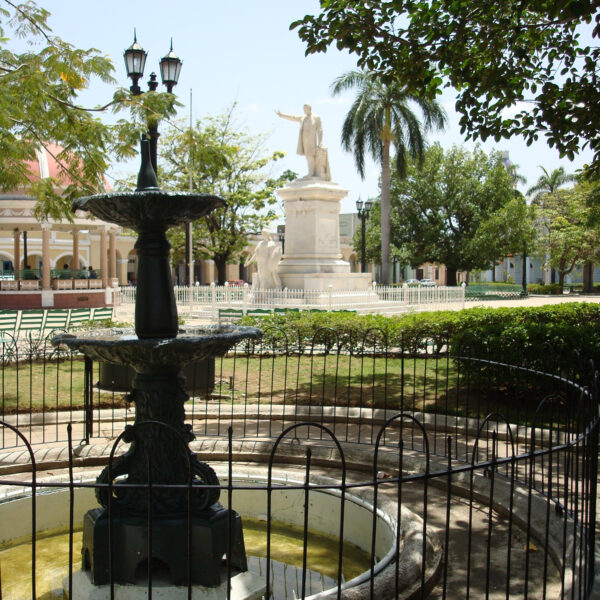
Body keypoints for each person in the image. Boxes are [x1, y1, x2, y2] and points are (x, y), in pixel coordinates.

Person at [276, 104, 331, 180]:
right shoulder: (303, 117)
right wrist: (281, 115)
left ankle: (312, 173)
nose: (305, 110)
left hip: (312, 139)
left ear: (310, 108)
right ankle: (311, 172)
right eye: (304, 109)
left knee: (310, 155)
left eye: (306, 108)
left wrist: (320, 141)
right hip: (304, 139)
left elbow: (319, 129)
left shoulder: (316, 117)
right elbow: (293, 117)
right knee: (308, 156)